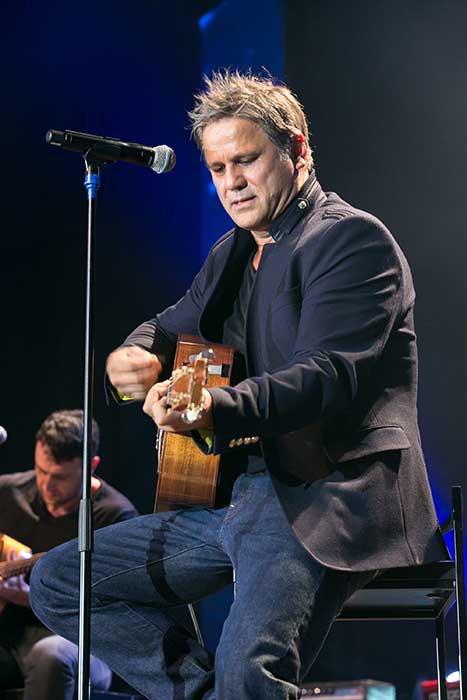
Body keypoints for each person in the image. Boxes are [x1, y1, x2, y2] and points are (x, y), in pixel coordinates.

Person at [30, 71, 447, 700]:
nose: (232, 182)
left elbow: (324, 376)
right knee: (60, 582)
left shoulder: (351, 240)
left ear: (297, 150)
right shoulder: (232, 252)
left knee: (249, 670)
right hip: (236, 504)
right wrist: (131, 357)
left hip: (327, 499)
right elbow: (168, 327)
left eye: (246, 160)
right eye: (218, 168)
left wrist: (208, 407)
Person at [0, 409, 138, 699]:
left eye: (60, 477)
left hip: (82, 643)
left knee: (51, 656)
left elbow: (113, 610)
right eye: (41, 471)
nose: (47, 485)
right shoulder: (8, 492)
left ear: (91, 466)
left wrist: (30, 597)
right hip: (11, 637)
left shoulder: (116, 517)